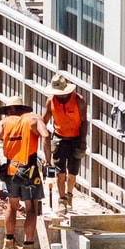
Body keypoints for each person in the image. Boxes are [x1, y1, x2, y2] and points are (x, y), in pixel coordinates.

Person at [0, 96, 47, 249]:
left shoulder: (5, 123)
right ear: (23, 109)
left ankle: (9, 243)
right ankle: (28, 248)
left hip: (11, 169)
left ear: (9, 110)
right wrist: (48, 161)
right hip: (29, 169)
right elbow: (45, 136)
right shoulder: (33, 119)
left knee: (12, 206)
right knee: (31, 209)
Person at [42, 74, 85, 216]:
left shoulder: (78, 100)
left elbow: (84, 121)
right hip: (59, 138)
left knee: (72, 172)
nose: (59, 96)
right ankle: (61, 200)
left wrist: (83, 140)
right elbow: (44, 120)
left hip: (76, 138)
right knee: (60, 172)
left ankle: (70, 196)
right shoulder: (51, 102)